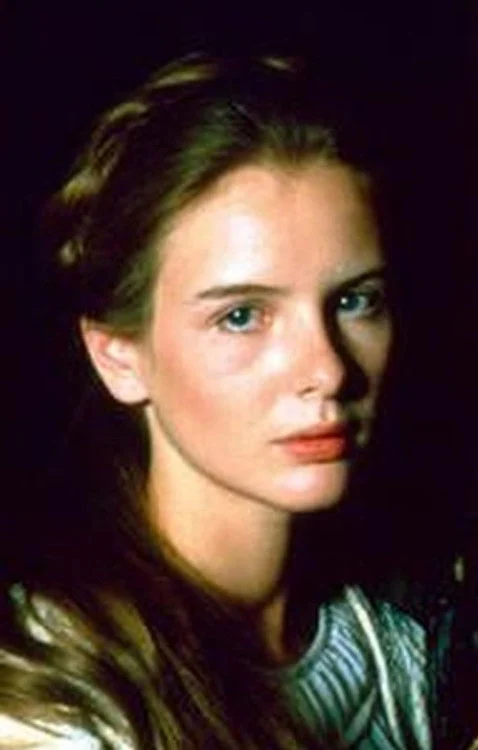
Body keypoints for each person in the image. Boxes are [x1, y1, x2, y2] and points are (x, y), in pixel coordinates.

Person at [1, 54, 430, 749]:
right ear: (119, 356)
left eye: (355, 301)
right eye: (241, 315)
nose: (327, 369)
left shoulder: (399, 647)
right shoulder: (52, 705)